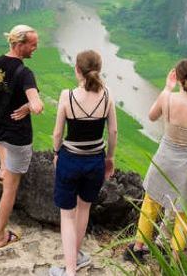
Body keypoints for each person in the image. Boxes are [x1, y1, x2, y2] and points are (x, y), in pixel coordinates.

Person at [125, 59, 187, 261]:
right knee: (182, 212)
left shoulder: (167, 98)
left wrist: (166, 88)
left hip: (164, 159)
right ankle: (174, 259)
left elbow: (152, 116)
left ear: (178, 77)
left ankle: (138, 248)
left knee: (151, 202)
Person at [49, 50, 118, 276]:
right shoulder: (107, 95)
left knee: (67, 215)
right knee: (84, 210)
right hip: (95, 160)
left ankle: (70, 270)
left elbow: (57, 133)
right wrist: (110, 158)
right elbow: (113, 131)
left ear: (77, 69)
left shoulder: (67, 96)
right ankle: (76, 257)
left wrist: (56, 152)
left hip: (70, 159)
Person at [0, 24, 44, 248]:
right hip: (17, 137)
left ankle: (3, 169)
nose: (36, 48)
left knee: (1, 147)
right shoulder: (25, 73)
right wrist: (30, 105)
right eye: (33, 45)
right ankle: (0, 236)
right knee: (10, 189)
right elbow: (37, 106)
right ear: (19, 45)